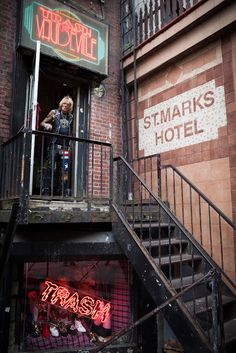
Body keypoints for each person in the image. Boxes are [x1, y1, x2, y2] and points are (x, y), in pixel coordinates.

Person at [40, 96, 73, 196]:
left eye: (67, 105)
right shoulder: (54, 113)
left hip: (65, 148)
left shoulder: (71, 117)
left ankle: (64, 192)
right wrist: (46, 125)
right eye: (64, 104)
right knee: (50, 168)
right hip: (54, 146)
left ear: (70, 107)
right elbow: (42, 122)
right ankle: (46, 191)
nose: (65, 106)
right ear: (61, 104)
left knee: (65, 170)